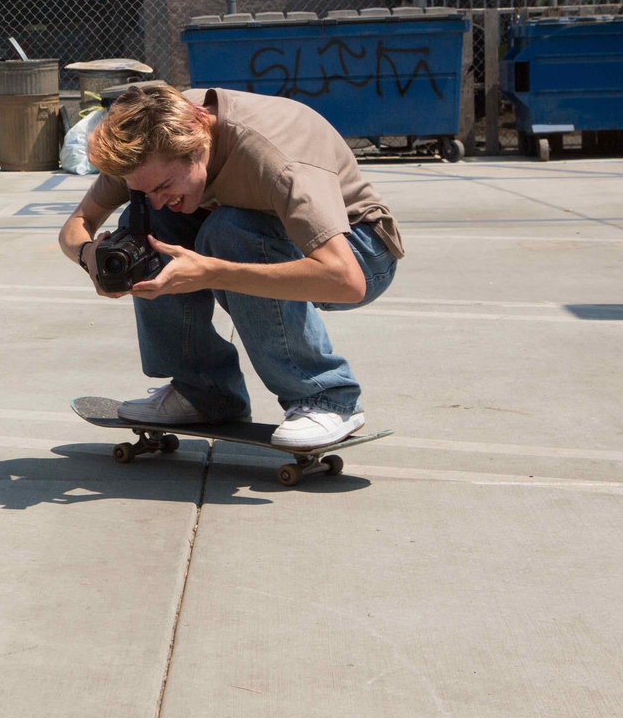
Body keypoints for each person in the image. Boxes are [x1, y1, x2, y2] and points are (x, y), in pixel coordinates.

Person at [56, 83, 402, 448]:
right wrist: (88, 254)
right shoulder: (147, 145)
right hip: (274, 238)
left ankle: (327, 398)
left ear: (198, 142)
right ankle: (203, 393)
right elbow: (76, 225)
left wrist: (214, 272)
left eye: (164, 185)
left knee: (229, 232)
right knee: (145, 225)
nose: (155, 199)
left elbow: (345, 281)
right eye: (145, 190)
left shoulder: (275, 159)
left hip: (359, 250)